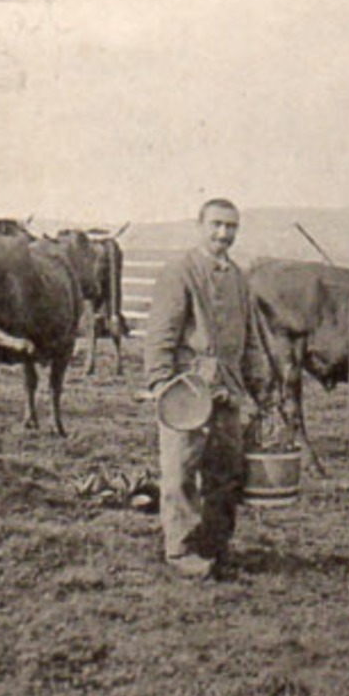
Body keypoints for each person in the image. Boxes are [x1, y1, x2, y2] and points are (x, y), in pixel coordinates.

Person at [144, 198, 272, 578]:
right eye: (216, 225)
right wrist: (161, 383)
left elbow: (249, 340)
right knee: (180, 470)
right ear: (199, 226)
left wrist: (259, 385)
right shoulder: (179, 272)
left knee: (226, 471)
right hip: (187, 390)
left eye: (231, 227)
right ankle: (180, 552)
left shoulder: (239, 279)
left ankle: (216, 546)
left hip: (228, 391)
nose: (223, 234)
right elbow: (160, 335)